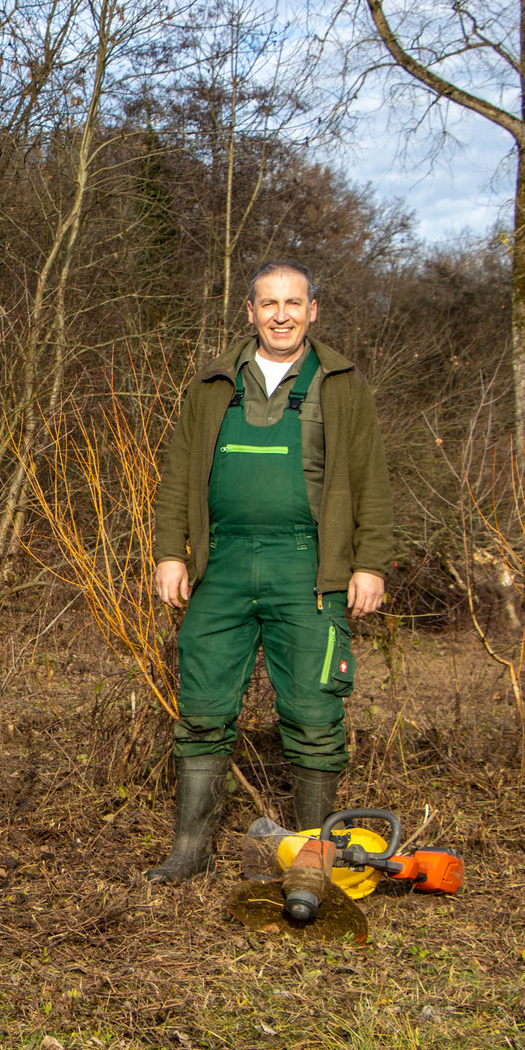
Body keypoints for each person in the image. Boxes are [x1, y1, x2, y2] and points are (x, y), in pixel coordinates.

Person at [146, 260, 393, 882]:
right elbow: (178, 474)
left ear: (314, 310)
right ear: (250, 312)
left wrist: (368, 564)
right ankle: (190, 849)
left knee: (314, 713)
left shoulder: (341, 385)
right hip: (220, 563)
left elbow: (371, 480)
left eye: (293, 302)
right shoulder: (212, 385)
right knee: (202, 706)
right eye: (268, 303)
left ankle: (313, 856)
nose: (280, 314)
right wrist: (169, 551)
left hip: (308, 566)